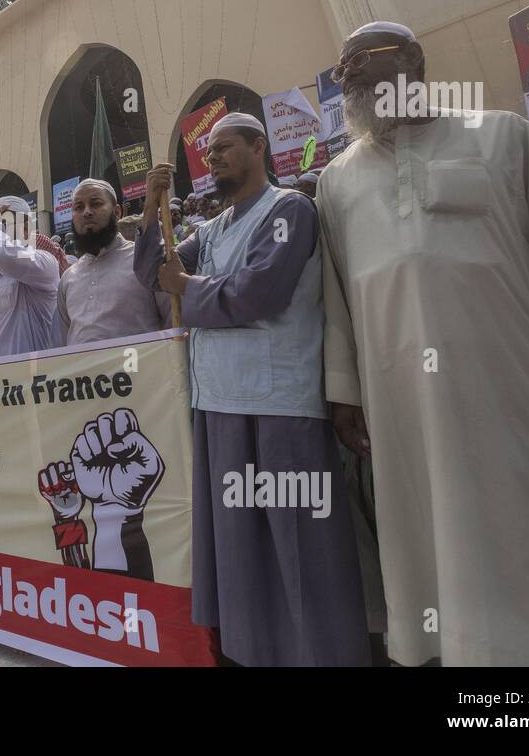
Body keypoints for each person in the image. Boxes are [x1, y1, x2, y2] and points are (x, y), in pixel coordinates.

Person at [317, 20, 529, 666]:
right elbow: (337, 299)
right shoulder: (336, 182)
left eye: (370, 62)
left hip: (522, 387)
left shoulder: (505, 137)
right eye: (346, 71)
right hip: (403, 403)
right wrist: (343, 392)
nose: (355, 79)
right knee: (440, 549)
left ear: (414, 63)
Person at [134, 115, 369, 667]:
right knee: (239, 548)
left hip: (277, 405)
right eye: (208, 152)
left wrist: (186, 287)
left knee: (298, 544)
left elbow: (260, 292)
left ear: (259, 147)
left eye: (225, 147)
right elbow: (152, 272)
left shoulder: (288, 210)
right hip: (218, 404)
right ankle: (255, 653)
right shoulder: (213, 228)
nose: (212, 158)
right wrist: (151, 208)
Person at [55, 179, 170, 346]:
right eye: (79, 207)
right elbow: (62, 342)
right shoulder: (68, 278)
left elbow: (174, 325)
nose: (86, 212)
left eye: (96, 204)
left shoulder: (145, 260)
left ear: (117, 212)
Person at [0, 196, 61, 361]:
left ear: (26, 228)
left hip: (23, 381)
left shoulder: (45, 263)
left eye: (3, 223)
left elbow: (2, 253)